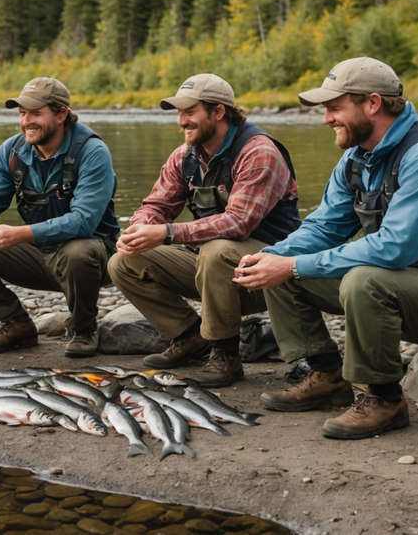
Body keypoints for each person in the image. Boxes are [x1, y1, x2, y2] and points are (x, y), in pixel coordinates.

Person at [234, 57, 418, 440]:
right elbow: (323, 227)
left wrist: (293, 266)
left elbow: (393, 250)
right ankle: (327, 375)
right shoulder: (355, 159)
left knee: (360, 279)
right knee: (281, 262)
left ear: (372, 103)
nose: (326, 119)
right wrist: (273, 257)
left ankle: (384, 398)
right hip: (406, 286)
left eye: (335, 108)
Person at [108, 74, 301, 386]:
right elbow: (157, 204)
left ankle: (225, 352)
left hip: (274, 275)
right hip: (216, 272)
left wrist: (165, 233)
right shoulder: (184, 156)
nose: (182, 121)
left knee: (216, 250)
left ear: (219, 111)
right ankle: (188, 337)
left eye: (190, 112)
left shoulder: (259, 152)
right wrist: (140, 226)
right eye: (179, 113)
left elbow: (237, 223)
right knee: (124, 261)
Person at [0, 77, 120, 358]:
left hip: (95, 255)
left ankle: (84, 328)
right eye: (22, 113)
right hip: (41, 254)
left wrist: (21, 233)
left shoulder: (92, 151)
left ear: (62, 114)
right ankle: (16, 324)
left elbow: (83, 222)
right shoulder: (12, 151)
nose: (27, 121)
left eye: (36, 113)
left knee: (79, 251)